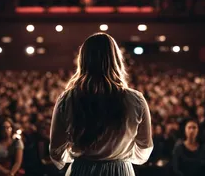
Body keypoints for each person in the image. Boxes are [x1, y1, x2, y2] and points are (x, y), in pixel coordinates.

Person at [49, 33, 153, 176]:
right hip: (120, 171)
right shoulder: (135, 99)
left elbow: (56, 151)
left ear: (83, 60)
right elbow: (145, 147)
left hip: (81, 170)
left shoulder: (67, 99)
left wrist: (77, 155)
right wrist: (121, 155)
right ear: (116, 60)